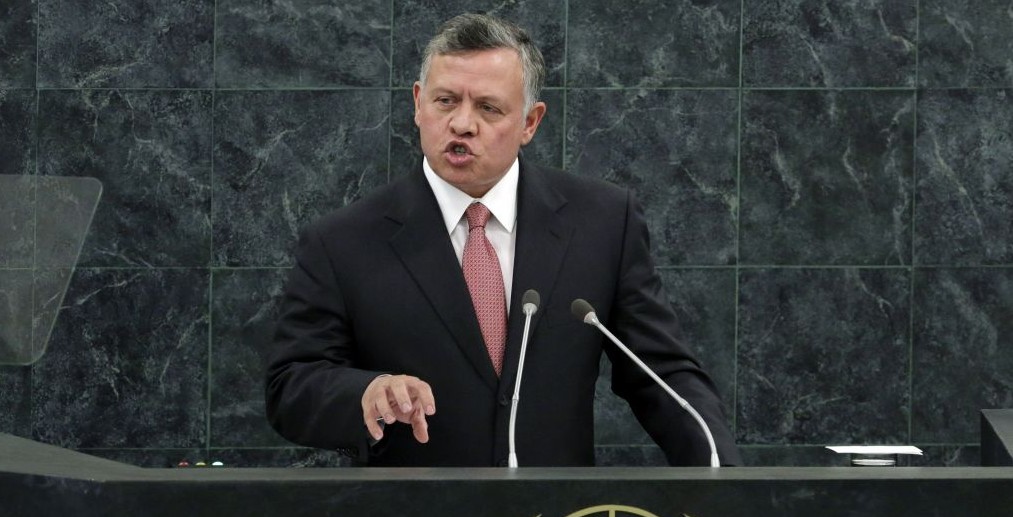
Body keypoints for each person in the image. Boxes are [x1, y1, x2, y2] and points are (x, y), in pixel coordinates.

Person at [265, 13, 741, 467]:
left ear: (530, 122)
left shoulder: (602, 223)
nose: (462, 124)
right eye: (445, 101)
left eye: (488, 108)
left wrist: (725, 478)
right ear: (418, 103)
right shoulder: (343, 240)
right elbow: (291, 386)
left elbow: (662, 375)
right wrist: (365, 393)